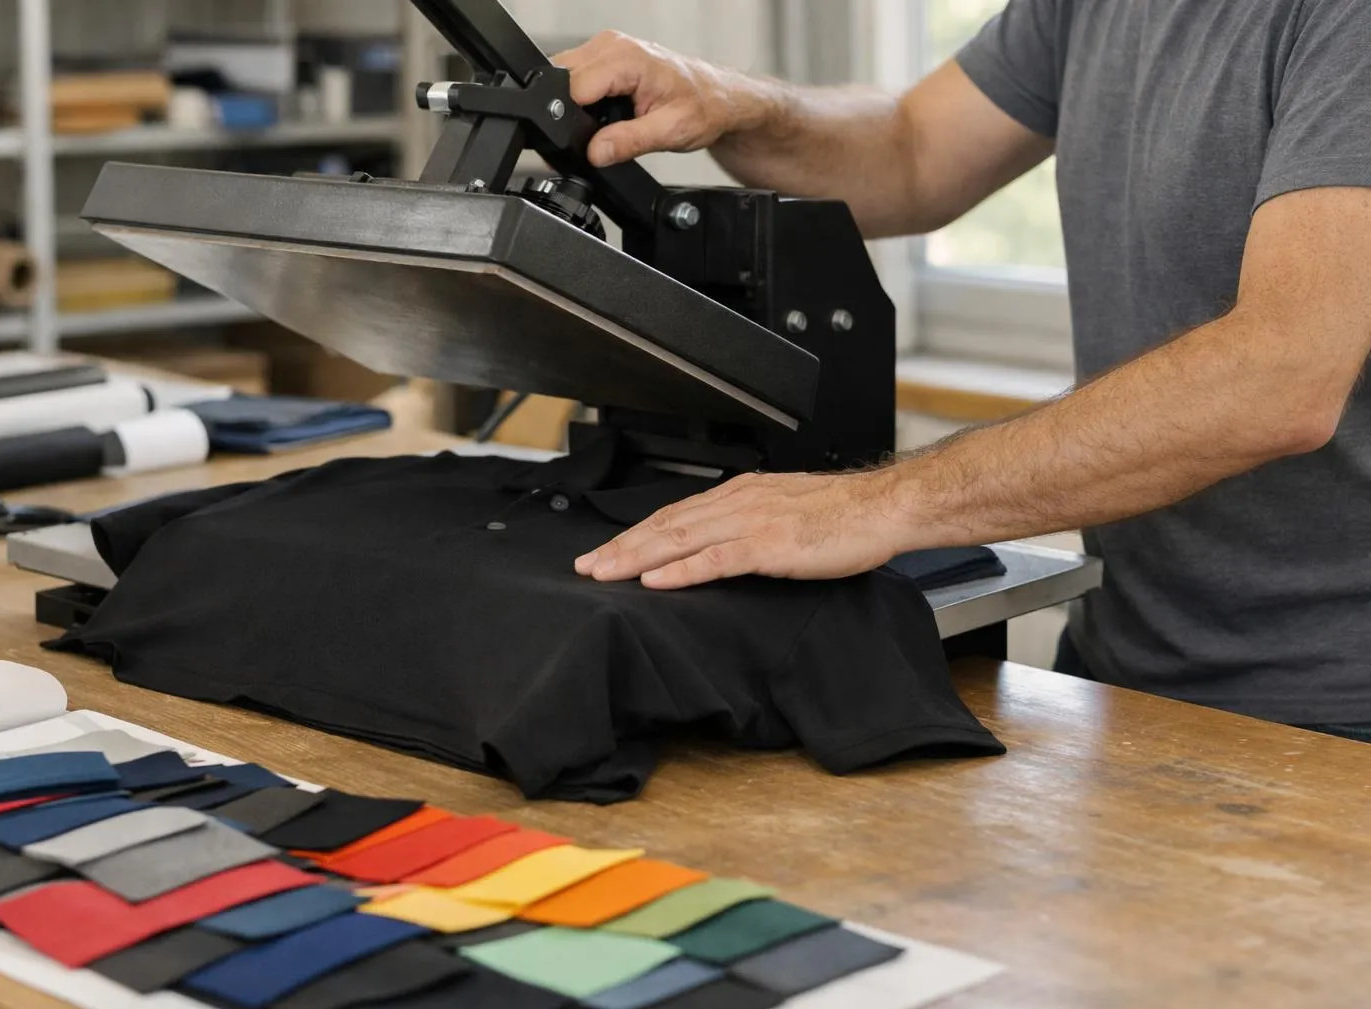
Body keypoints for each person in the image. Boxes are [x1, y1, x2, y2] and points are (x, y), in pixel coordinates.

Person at [561, 0, 1371, 740]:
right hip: (1125, 674)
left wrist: (879, 502)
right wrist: (733, 102)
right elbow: (909, 154)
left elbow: (1281, 375)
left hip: (1337, 716)